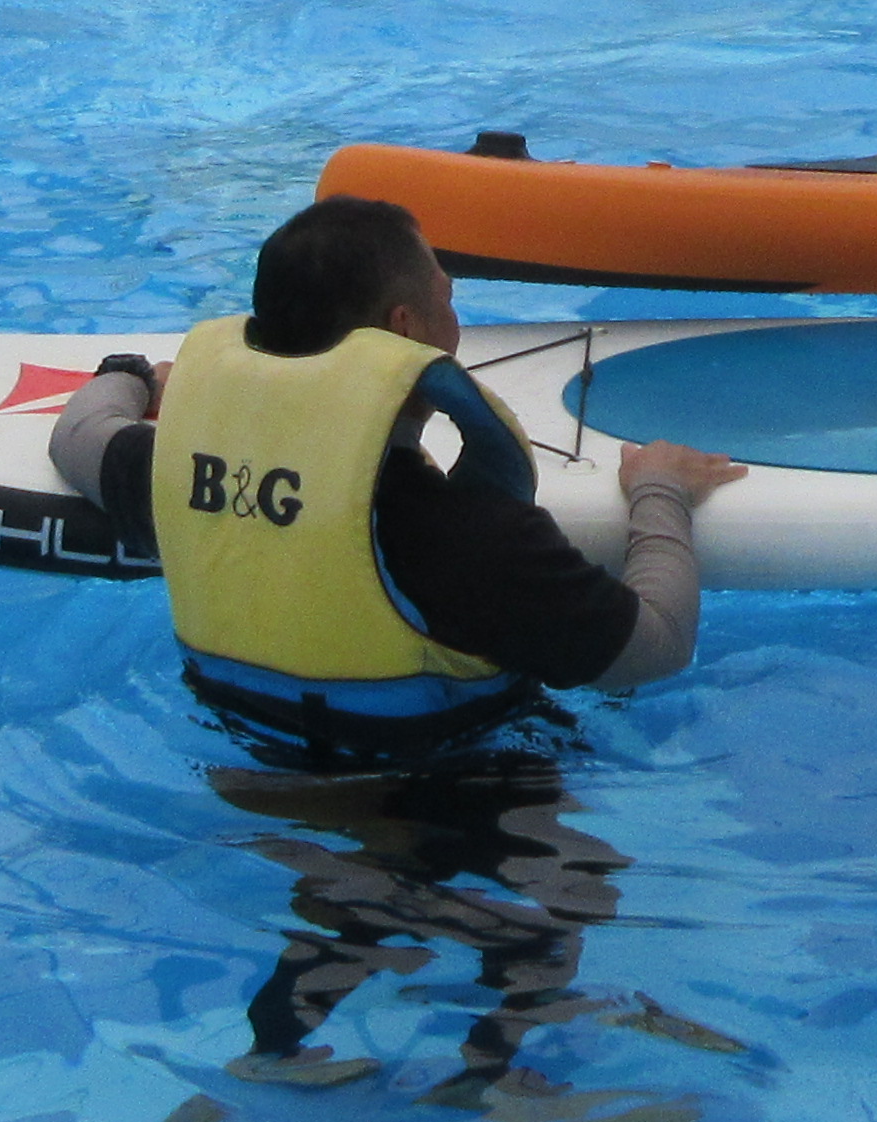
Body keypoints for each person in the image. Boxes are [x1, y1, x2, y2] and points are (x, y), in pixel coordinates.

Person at [44, 196, 738, 775]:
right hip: (458, 797)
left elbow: (76, 437)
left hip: (248, 771)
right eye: (447, 298)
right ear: (404, 330)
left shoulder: (177, 471)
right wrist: (660, 491)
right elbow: (656, 648)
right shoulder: (458, 535)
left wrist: (133, 373)